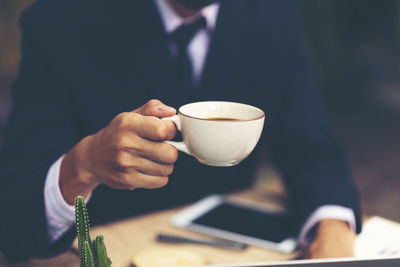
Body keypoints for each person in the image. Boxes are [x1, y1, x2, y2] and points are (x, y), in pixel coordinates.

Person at [0, 0, 361, 263]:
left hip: (228, 252)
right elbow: (15, 217)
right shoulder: (61, 21)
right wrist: (83, 164)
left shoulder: (271, 14)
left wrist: (333, 229)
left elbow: (312, 149)